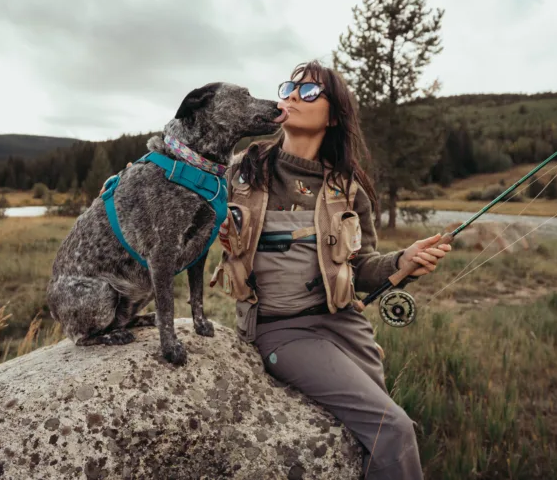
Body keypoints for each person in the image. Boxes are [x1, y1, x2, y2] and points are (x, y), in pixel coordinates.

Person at [103, 61, 451, 479]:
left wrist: (403, 262)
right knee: (391, 430)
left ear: (334, 116)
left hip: (347, 326)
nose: (291, 96)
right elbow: (166, 183)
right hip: (280, 330)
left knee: (392, 432)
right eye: (289, 87)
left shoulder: (347, 187)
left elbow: (360, 268)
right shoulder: (235, 172)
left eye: (308, 92)